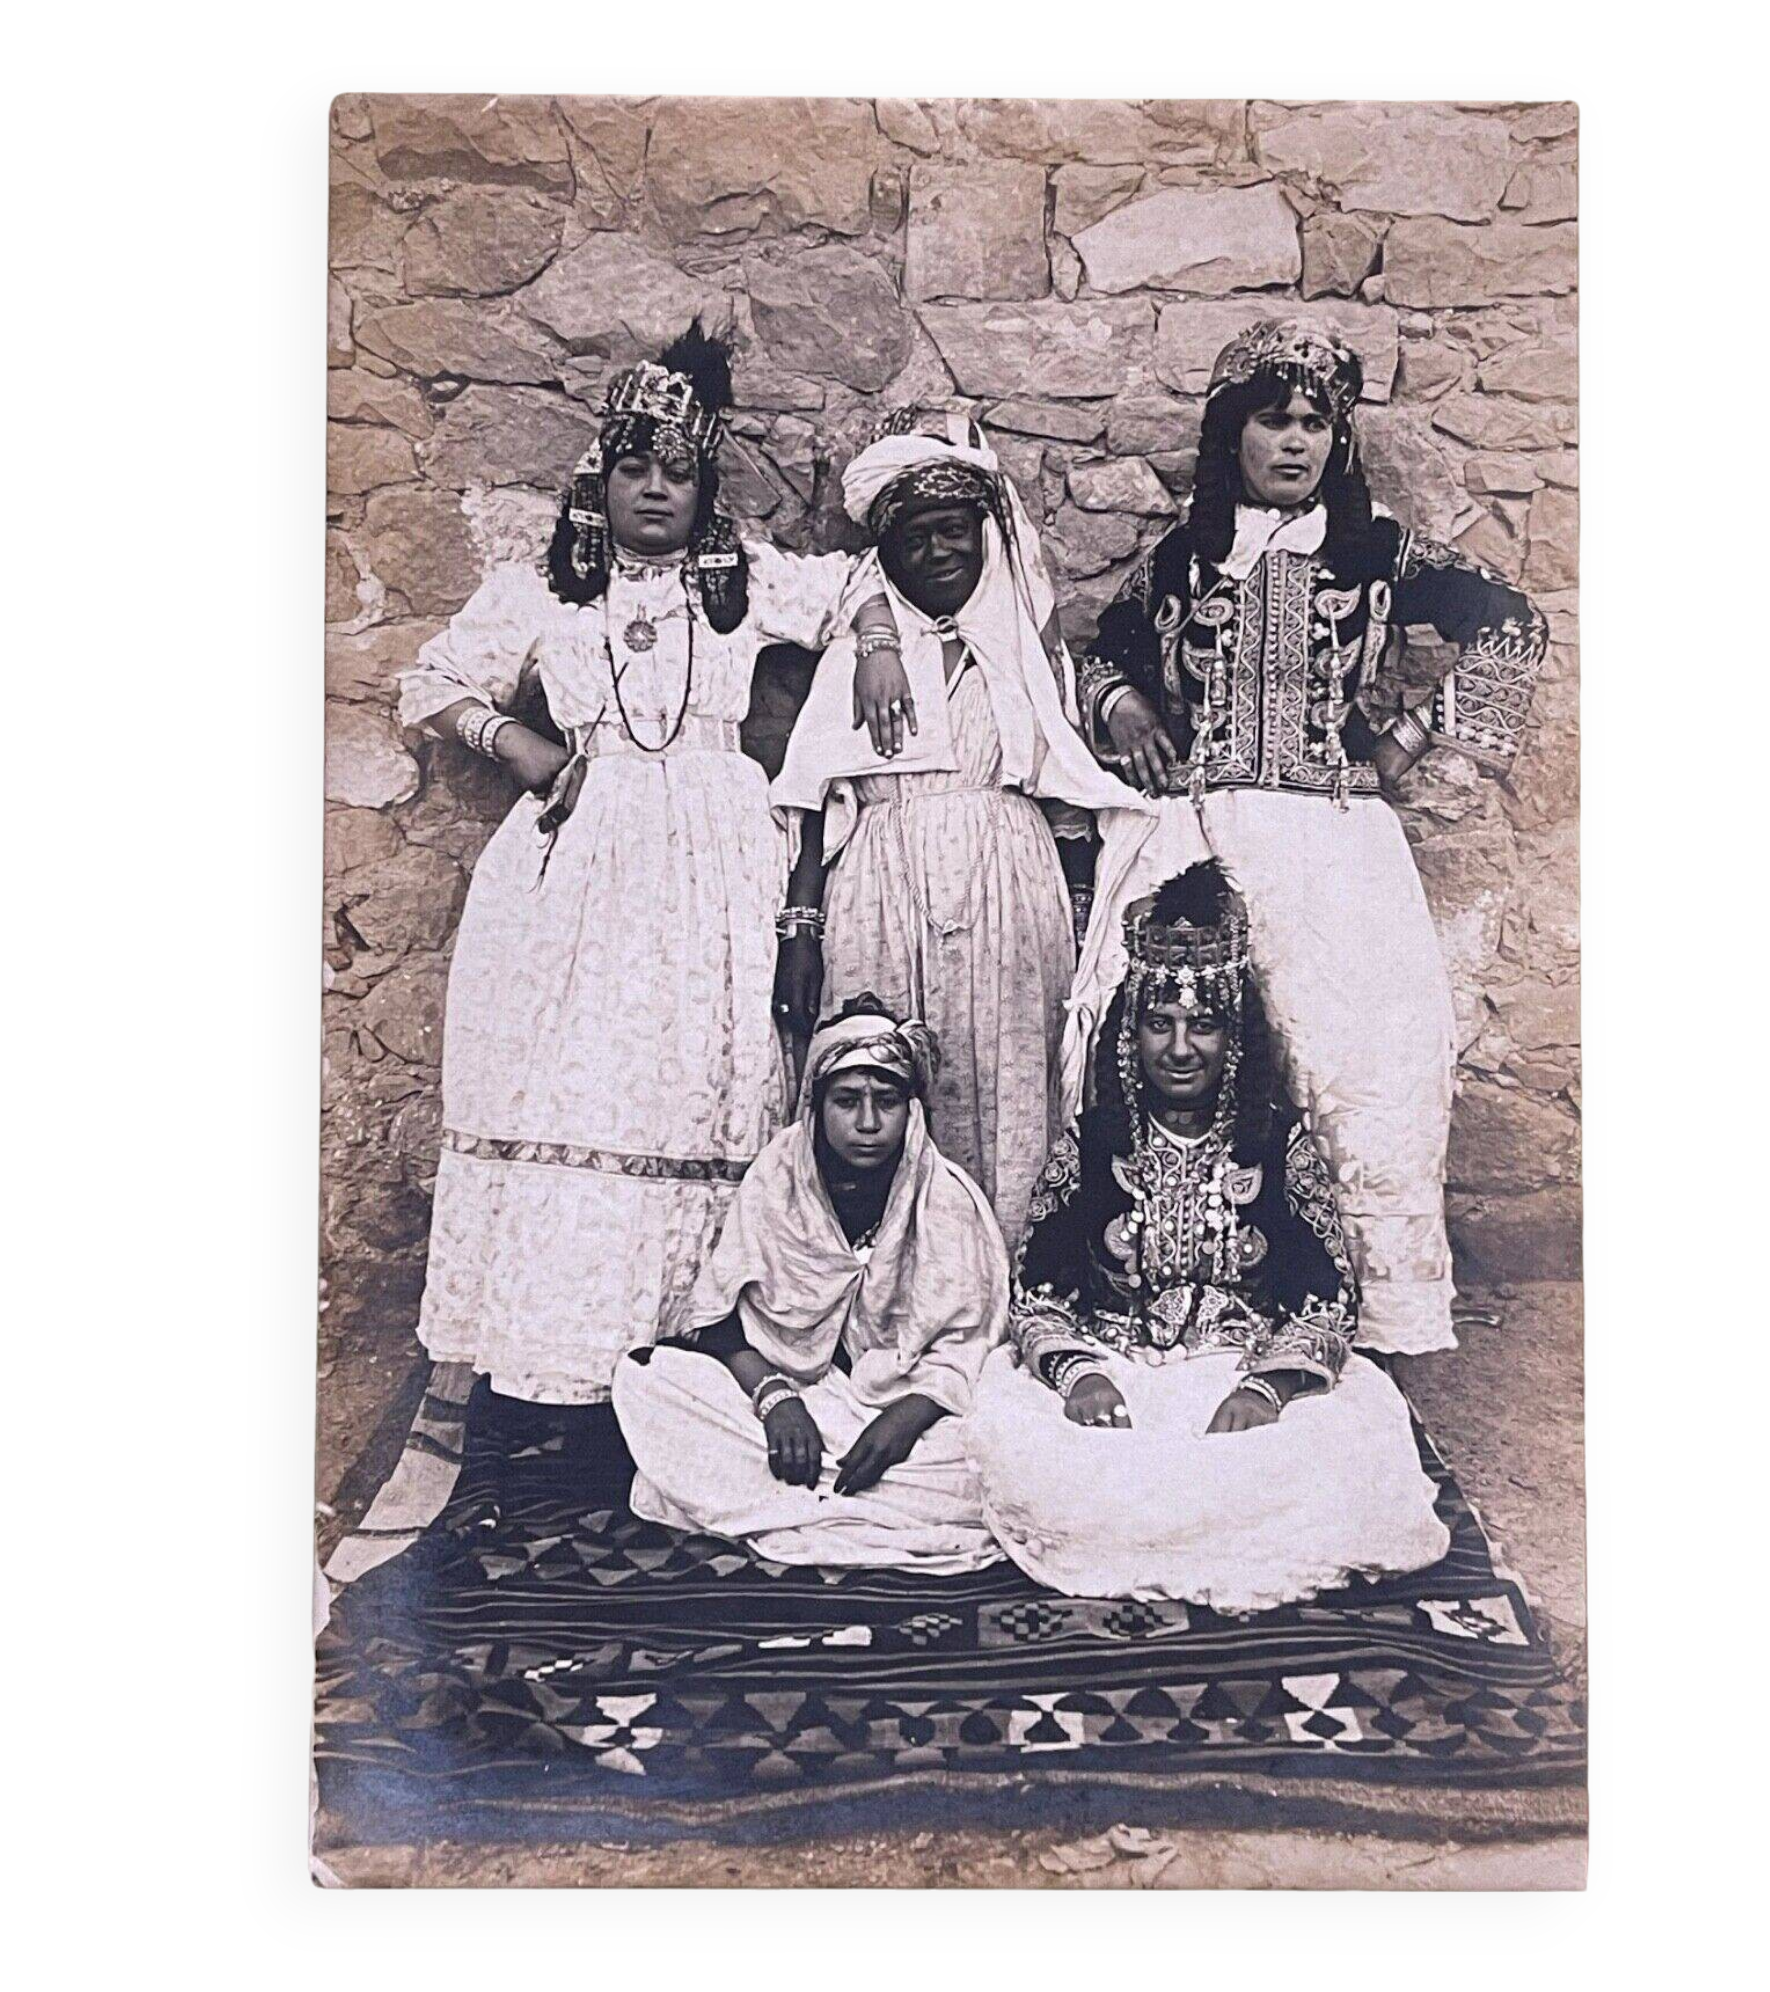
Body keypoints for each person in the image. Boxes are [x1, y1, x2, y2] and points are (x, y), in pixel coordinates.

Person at [394, 325, 904, 1407]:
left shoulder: (746, 581)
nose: (656, 491)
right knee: (576, 1085)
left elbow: (862, 579)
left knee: (697, 1089)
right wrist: (517, 743)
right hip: (573, 869)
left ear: (703, 484)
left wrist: (878, 649)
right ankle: (554, 1363)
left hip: (715, 868)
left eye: (678, 471)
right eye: (635, 468)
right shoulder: (546, 594)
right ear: (601, 478)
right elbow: (427, 680)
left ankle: (684, 1362)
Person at [1061, 321, 1550, 1357]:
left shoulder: (1372, 547)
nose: (1293, 443)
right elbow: (1098, 649)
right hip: (1205, 837)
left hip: (1339, 852)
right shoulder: (1185, 558)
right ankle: (1193, 1309)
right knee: (1192, 1055)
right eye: (1270, 420)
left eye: (1313, 423)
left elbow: (1510, 619)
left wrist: (1409, 736)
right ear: (1228, 432)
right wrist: (1123, 712)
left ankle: (1358, 1324)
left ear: (1337, 437)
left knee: (1358, 1065)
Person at [964, 862, 1452, 1611]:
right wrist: (1079, 1376)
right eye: (1160, 1023)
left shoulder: (1274, 1143)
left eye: (1204, 1024)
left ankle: (1169, 1535)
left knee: (1354, 1449)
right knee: (1032, 1454)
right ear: (1131, 1034)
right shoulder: (1094, 1144)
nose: (1181, 1047)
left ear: (1236, 1034)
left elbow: (1327, 1302)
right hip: (1114, 1372)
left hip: (1242, 1375)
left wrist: (1268, 1386)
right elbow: (1037, 1292)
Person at [769, 410, 1147, 1246]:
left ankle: (1009, 1275)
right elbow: (815, 803)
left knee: (1008, 1074)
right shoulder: (858, 657)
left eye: (954, 532)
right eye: (915, 540)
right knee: (882, 1085)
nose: (939, 553)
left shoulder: (1020, 656)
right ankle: (878, 1280)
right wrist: (800, 931)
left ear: (985, 536)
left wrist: (1083, 920)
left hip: (1007, 883)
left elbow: (1068, 793)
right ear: (888, 557)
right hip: (880, 878)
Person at [612, 998, 1007, 1572]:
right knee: (651, 1379)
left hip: (905, 1411)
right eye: (847, 1102)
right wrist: (775, 1400)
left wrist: (906, 1418)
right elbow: (718, 1322)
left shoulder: (945, 1196)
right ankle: (863, 1507)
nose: (868, 1124)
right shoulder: (778, 1177)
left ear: (912, 1110)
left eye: (887, 1102)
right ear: (817, 1108)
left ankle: (798, 1501)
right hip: (789, 1393)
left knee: (993, 1440)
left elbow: (975, 1342)